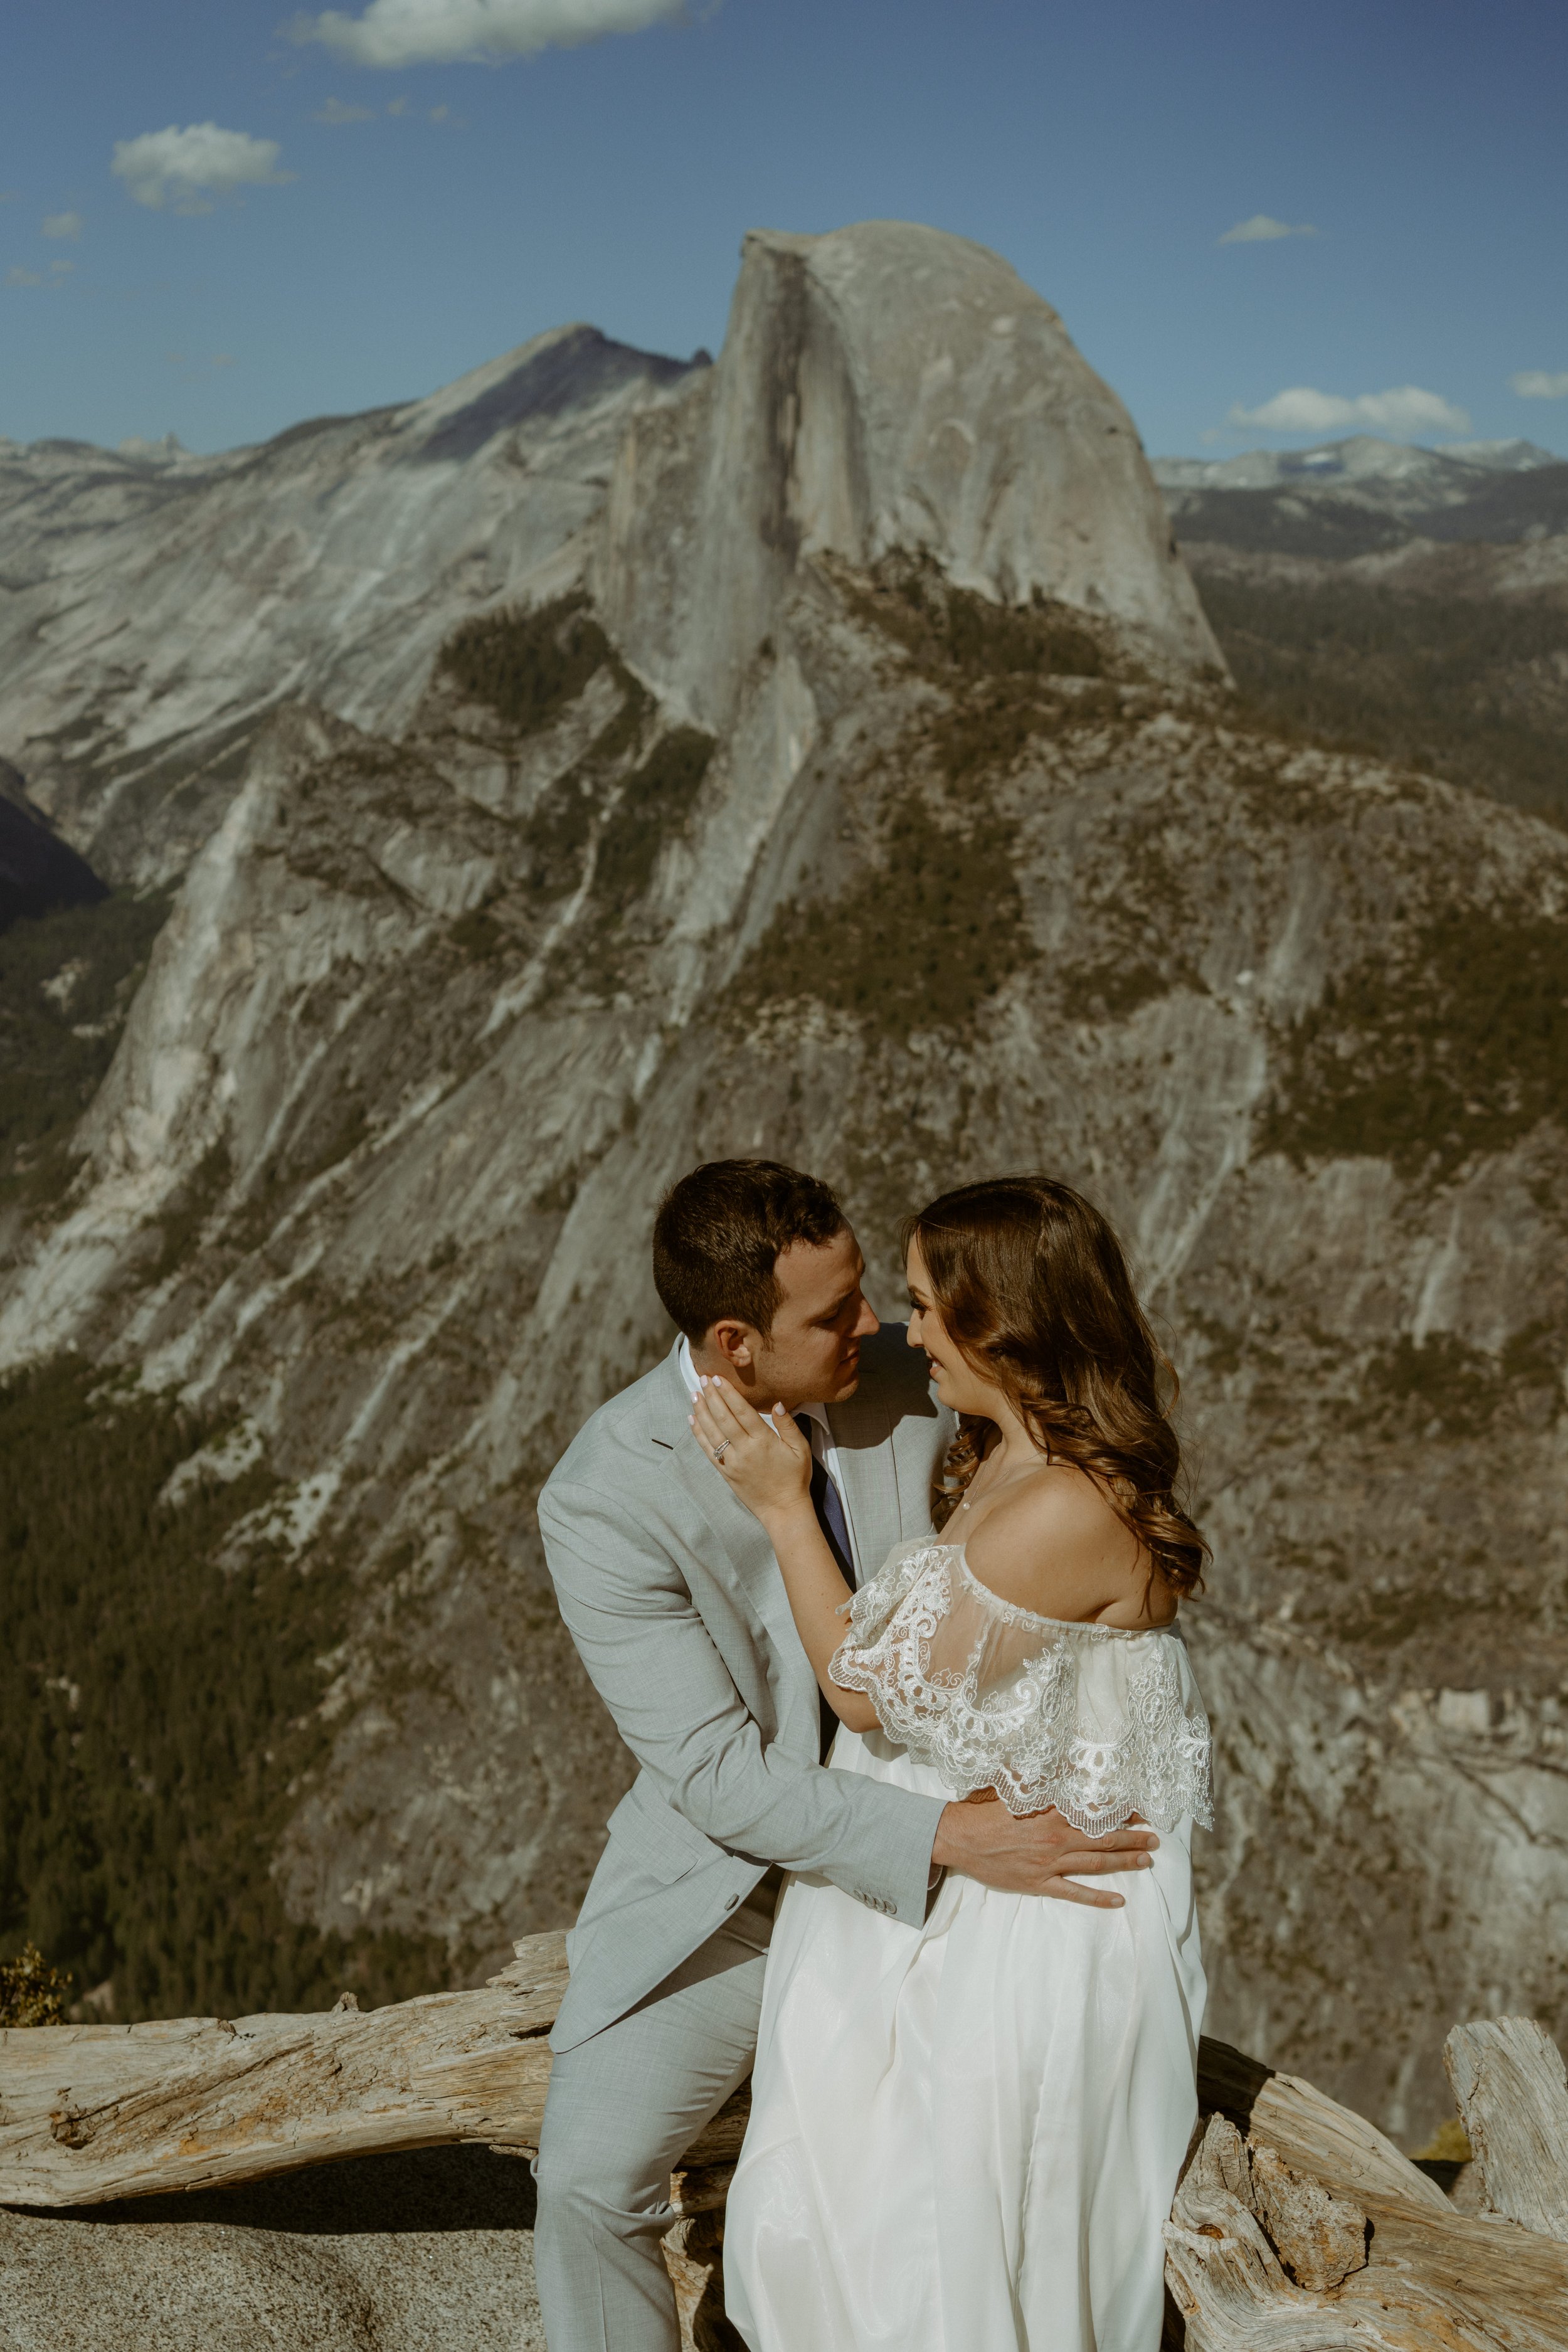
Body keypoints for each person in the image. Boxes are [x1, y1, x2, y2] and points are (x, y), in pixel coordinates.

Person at [534, 1160, 1163, 2352]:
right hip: (740, 1894)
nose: (872, 1327)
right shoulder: (604, 1494)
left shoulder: (916, 1381)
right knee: (581, 2181)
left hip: (969, 1864)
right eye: (832, 1315)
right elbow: (716, 1779)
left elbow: (1059, 1438)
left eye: (872, 1294)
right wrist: (937, 1837)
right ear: (734, 1342)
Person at [697, 1174, 1212, 2352]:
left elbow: (864, 1692)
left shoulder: (1068, 1507)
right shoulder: (1006, 1462)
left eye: (929, 1305)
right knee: (886, 2238)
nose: (905, 1329)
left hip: (1030, 1937)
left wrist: (785, 1509)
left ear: (1003, 1323)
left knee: (946, 2255)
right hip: (974, 1898)